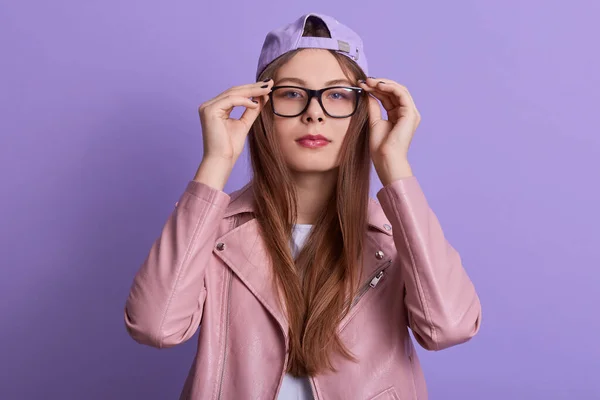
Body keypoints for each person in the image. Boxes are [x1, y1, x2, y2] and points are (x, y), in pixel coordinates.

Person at [124, 13, 482, 400]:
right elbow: (154, 327)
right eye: (292, 93)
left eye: (338, 95)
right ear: (262, 109)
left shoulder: (397, 235)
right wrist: (214, 165)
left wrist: (395, 168)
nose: (315, 113)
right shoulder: (214, 232)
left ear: (363, 113)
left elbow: (449, 327)